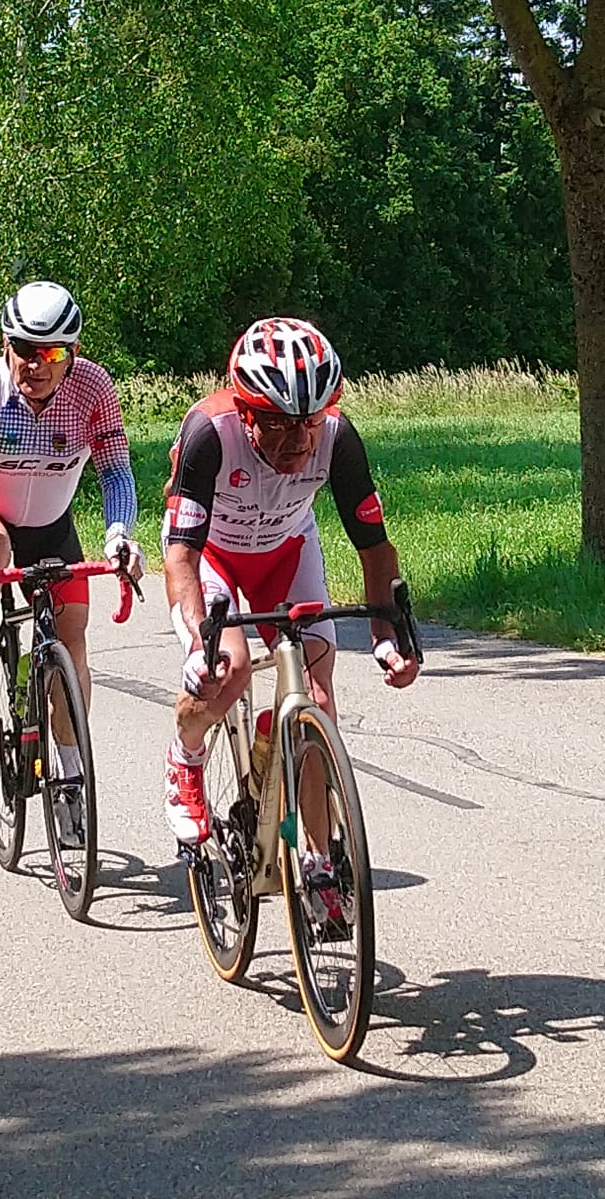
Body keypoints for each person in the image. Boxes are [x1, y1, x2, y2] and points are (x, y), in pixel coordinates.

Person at [162, 315, 419, 856]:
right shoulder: (210, 433)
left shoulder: (338, 438)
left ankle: (322, 861)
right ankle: (185, 755)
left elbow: (375, 548)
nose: (298, 440)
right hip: (213, 557)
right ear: (246, 412)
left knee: (318, 699)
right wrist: (194, 639)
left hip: (286, 550)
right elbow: (181, 556)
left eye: (309, 421)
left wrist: (387, 636)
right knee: (225, 671)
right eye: (277, 424)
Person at [0, 281, 144, 835]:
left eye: (51, 352)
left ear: (71, 353)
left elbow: (115, 473)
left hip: (52, 525)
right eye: (24, 349)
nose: (36, 363)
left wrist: (120, 534)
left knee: (72, 629)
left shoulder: (94, 388)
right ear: (6, 345)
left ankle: (71, 774)